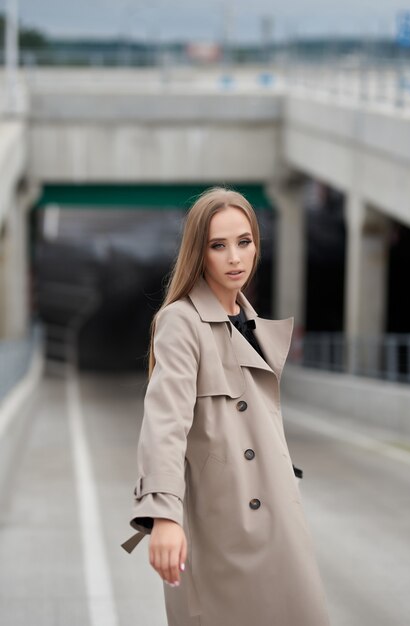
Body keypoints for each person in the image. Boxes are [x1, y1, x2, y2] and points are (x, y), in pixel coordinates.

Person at [121, 187, 330, 626]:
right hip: (223, 530)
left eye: (244, 242)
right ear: (199, 252)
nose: (235, 257)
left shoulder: (251, 323)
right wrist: (163, 515)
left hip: (278, 524)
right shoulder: (181, 321)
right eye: (219, 245)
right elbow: (165, 423)